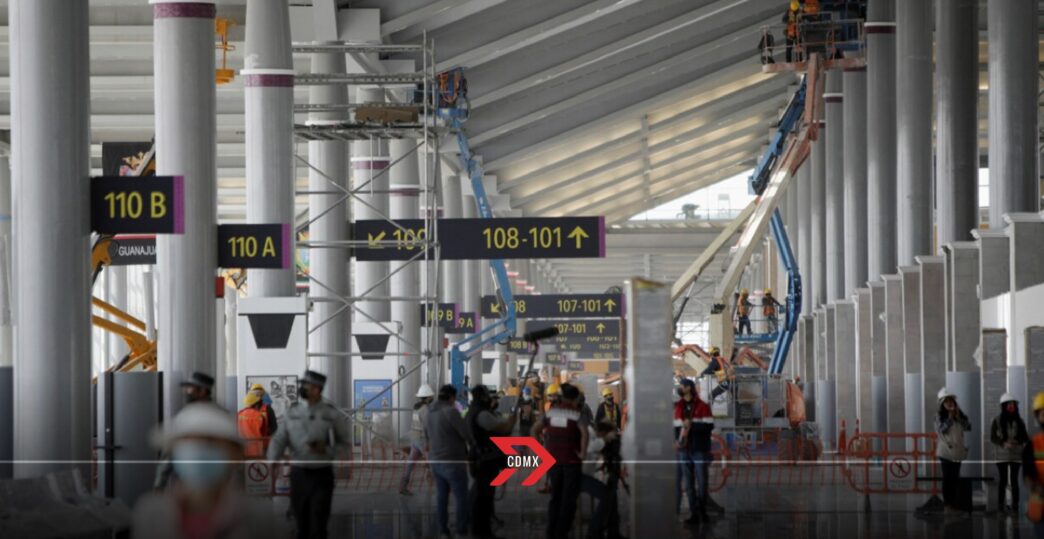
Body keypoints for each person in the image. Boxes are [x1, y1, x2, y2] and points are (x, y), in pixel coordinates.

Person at [133, 403, 288, 538]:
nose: (198, 452)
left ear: (233, 454)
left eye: (210, 442)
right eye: (188, 442)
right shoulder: (151, 513)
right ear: (174, 451)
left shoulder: (258, 516)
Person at [266, 370, 350, 539]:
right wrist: (272, 461)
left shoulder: (331, 414)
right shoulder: (292, 412)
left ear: (317, 389)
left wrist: (326, 450)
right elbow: (279, 439)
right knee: (300, 524)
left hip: (322, 474)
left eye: (306, 385)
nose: (302, 388)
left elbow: (345, 445)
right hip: (299, 474)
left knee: (318, 524)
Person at [533, 383, 589, 539]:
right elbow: (585, 433)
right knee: (568, 500)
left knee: (555, 498)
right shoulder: (577, 414)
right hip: (571, 462)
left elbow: (534, 429)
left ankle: (551, 532)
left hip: (553, 462)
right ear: (575, 398)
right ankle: (561, 533)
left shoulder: (550, 413)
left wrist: (540, 451)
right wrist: (583, 453)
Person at [466, 384, 517, 539]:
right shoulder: (482, 415)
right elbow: (503, 428)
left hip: (479, 458)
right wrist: (512, 420)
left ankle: (478, 529)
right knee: (484, 498)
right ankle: (482, 532)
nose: (490, 398)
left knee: (479, 495)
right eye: (488, 395)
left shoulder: (472, 412)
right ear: (482, 396)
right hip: (486, 460)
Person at [425, 385, 474, 539]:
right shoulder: (451, 411)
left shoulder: (428, 413)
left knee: (442, 496)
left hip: (435, 461)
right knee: (461, 496)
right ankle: (461, 530)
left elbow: (427, 436)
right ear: (452, 398)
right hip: (452, 460)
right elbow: (465, 433)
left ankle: (443, 530)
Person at [154, 371, 218, 490]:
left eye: (190, 388)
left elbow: (169, 454)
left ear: (202, 391)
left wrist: (159, 485)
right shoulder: (222, 417)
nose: (186, 391)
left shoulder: (184, 418)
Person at [675, 377, 714, 526]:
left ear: (688, 388)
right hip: (684, 450)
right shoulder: (678, 407)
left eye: (682, 386)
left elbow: (710, 426)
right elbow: (675, 428)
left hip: (699, 450)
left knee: (702, 482)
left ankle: (702, 511)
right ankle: (694, 514)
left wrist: (692, 426)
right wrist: (676, 441)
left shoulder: (703, 406)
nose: (680, 388)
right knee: (689, 484)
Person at [582, 420, 625, 539]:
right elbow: (590, 448)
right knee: (606, 495)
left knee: (612, 494)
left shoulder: (596, 436)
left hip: (585, 475)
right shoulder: (590, 433)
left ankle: (613, 532)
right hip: (579, 477)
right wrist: (605, 440)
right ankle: (593, 531)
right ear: (602, 433)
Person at [991, 392, 1030, 514]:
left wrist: (1017, 442)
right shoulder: (996, 420)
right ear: (1004, 406)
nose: (1011, 406)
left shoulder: (1020, 421)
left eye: (1013, 404)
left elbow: (1025, 437)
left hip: (1016, 454)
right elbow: (993, 437)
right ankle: (1001, 506)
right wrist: (1004, 443)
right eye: (1009, 404)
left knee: (1014, 481)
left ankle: (1015, 506)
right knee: (1002, 481)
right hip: (1001, 454)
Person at [935, 387, 972, 512]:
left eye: (951, 401)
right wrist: (950, 418)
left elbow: (968, 427)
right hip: (945, 453)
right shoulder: (940, 416)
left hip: (957, 453)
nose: (950, 403)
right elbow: (941, 430)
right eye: (947, 401)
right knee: (947, 479)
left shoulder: (959, 415)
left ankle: (953, 504)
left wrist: (957, 416)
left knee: (955, 479)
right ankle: (947, 505)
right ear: (942, 404)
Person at [400, 384, 435, 496]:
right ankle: (439, 485)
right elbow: (427, 427)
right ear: (428, 397)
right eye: (431, 396)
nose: (432, 398)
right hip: (421, 439)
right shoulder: (425, 410)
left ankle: (403, 486)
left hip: (414, 438)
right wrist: (428, 443)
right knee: (433, 461)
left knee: (411, 463)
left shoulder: (416, 407)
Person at [1023, 392, 1044, 536]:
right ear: (1038, 417)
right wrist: (1036, 488)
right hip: (1042, 509)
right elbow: (1028, 475)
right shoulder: (1033, 444)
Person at [237, 391, 272, 459]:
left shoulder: (238, 414)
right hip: (256, 451)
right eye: (261, 403)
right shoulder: (260, 416)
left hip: (242, 450)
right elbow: (264, 435)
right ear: (256, 404)